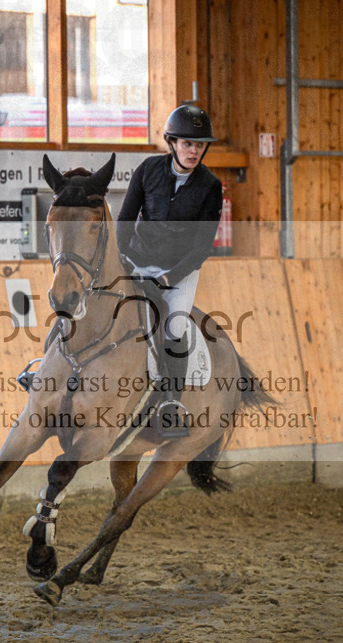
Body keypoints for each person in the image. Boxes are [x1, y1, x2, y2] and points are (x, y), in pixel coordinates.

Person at [116, 104, 223, 438]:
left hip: (179, 273)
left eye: (200, 145)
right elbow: (124, 221)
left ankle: (170, 407)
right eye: (188, 144)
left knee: (174, 329)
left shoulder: (211, 186)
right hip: (137, 263)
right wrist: (121, 259)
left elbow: (201, 247)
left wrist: (168, 279)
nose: (194, 151)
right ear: (172, 142)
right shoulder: (147, 170)